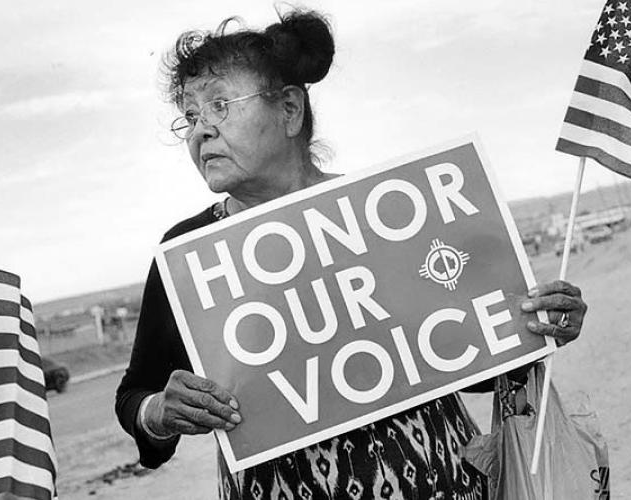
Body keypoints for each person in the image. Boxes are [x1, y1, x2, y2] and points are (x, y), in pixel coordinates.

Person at [115, 9, 588, 499]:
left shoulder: (394, 213)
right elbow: (135, 397)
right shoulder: (187, 254)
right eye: (190, 116)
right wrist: (160, 412)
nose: (200, 132)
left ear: (289, 110)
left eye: (219, 106)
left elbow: (467, 365)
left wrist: (536, 329)